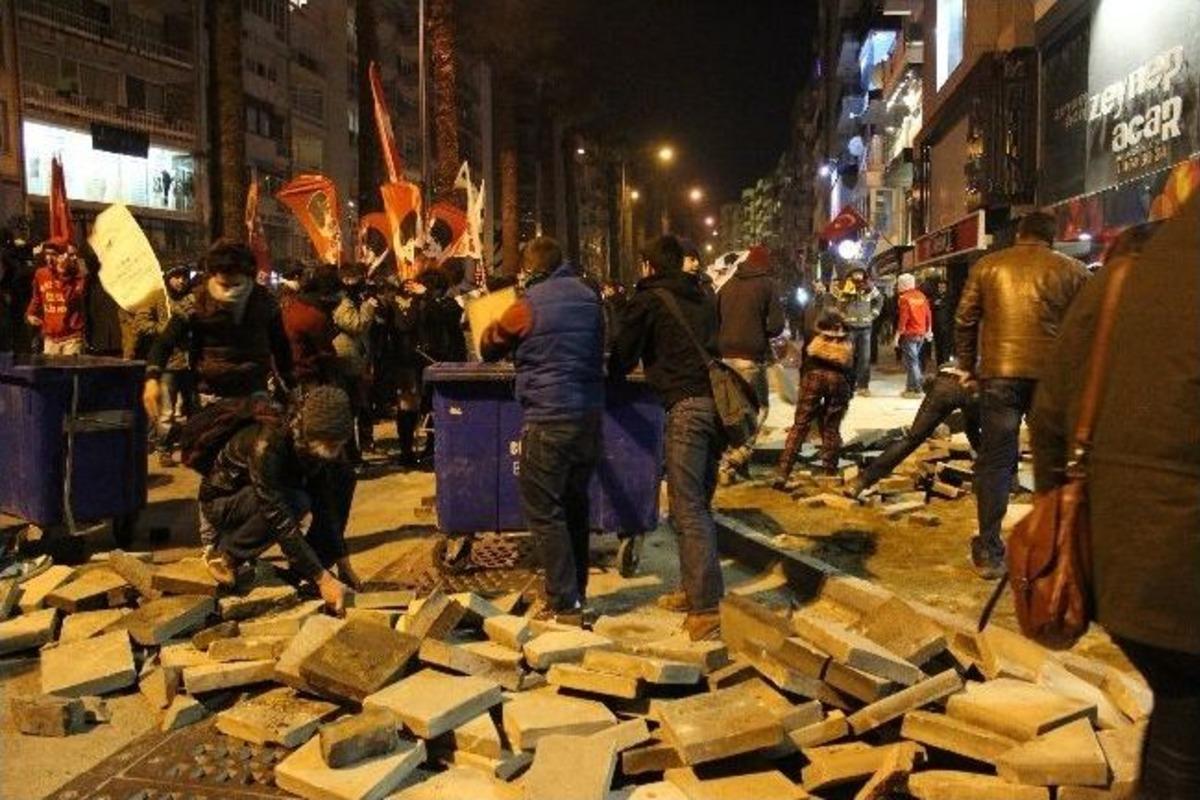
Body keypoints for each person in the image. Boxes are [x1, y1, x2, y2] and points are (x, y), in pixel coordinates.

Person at [1032, 206, 1196, 797]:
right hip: (1183, 574)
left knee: (1181, 719)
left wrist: (1061, 509)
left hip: (1122, 563)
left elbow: (1049, 414)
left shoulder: (1124, 271)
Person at [955, 210, 1087, 578]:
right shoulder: (1073, 271)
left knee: (996, 460)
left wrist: (967, 366)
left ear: (1019, 235)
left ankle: (989, 550)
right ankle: (1056, 549)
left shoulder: (988, 266)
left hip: (999, 374)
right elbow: (1088, 327)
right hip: (1052, 379)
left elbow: (964, 319)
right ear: (1052, 237)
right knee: (1053, 460)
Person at [480, 237, 604, 623]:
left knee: (544, 511)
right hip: (588, 418)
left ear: (531, 270)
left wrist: (492, 320)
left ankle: (563, 602)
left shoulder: (526, 306)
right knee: (575, 506)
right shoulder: (589, 298)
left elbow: (488, 347)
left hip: (549, 416)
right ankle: (577, 593)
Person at [611, 235, 724, 641]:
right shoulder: (703, 295)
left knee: (686, 508)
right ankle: (694, 589)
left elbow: (623, 354)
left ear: (648, 266)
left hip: (686, 407)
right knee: (699, 506)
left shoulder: (651, 298)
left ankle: (706, 609)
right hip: (716, 408)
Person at [200, 385, 359, 611]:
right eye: (332, 443)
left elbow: (328, 506)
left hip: (273, 495)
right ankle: (226, 557)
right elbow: (275, 512)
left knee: (342, 476)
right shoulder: (269, 442)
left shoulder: (319, 446)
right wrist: (323, 579)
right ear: (315, 432)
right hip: (226, 501)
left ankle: (308, 569)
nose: (337, 448)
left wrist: (342, 561)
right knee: (295, 501)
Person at [144, 239, 294, 410]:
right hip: (209, 394)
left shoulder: (265, 302)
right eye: (224, 285)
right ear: (213, 276)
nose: (229, 292)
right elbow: (164, 342)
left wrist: (290, 383)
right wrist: (152, 378)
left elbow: (281, 347)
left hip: (254, 393)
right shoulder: (195, 302)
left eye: (236, 285)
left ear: (248, 277)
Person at [846, 360, 980, 497]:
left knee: (911, 439)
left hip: (943, 386)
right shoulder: (986, 361)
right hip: (973, 389)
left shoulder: (956, 363)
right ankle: (984, 469)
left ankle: (861, 482)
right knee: (975, 429)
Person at [716, 244, 784, 485]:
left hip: (723, 357)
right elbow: (776, 325)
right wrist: (759, 331)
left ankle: (732, 465)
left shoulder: (728, 284)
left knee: (730, 412)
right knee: (758, 410)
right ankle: (732, 460)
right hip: (750, 356)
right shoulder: (767, 284)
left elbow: (715, 318)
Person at [775, 309, 854, 487]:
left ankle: (783, 472)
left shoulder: (812, 334)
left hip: (813, 377)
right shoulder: (848, 339)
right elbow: (852, 367)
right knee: (831, 426)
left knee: (800, 425)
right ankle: (829, 471)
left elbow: (805, 358)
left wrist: (803, 381)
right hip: (838, 380)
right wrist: (850, 390)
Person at [141, 265, 197, 466]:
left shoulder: (192, 299)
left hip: (189, 363)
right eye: (176, 277)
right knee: (166, 411)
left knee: (193, 409)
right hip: (167, 363)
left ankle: (191, 448)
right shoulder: (157, 297)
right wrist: (167, 330)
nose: (181, 281)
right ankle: (163, 447)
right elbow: (142, 322)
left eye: (184, 277)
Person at [333, 262, 380, 461]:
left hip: (358, 360)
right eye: (357, 278)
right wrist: (369, 306)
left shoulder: (353, 299)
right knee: (349, 409)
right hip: (346, 361)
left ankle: (358, 448)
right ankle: (350, 453)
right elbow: (356, 325)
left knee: (360, 406)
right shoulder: (342, 302)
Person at [281, 263, 342, 391]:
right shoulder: (313, 316)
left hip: (288, 375)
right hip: (308, 379)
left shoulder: (292, 308)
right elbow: (326, 355)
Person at [26, 238, 88, 355]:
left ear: (63, 256)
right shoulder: (41, 274)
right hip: (50, 337)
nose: (49, 258)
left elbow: (70, 298)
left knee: (70, 372)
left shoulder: (77, 275)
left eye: (53, 255)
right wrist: (31, 313)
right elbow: (37, 297)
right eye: (47, 254)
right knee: (51, 372)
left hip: (71, 337)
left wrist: (63, 274)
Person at [838, 268, 882, 395]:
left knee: (865, 358)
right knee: (848, 357)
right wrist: (843, 318)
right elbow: (839, 305)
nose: (858, 275)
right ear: (850, 274)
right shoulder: (846, 287)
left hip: (865, 327)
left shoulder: (870, 287)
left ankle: (863, 386)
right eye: (855, 273)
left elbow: (879, 300)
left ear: (864, 274)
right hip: (850, 327)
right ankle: (848, 384)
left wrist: (873, 314)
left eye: (860, 273)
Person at [894, 272, 933, 398]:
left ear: (904, 284)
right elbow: (928, 315)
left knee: (912, 362)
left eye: (899, 284)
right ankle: (910, 388)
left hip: (910, 333)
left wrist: (897, 336)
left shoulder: (904, 298)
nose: (897, 286)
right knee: (913, 361)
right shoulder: (922, 296)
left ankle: (919, 388)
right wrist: (929, 330)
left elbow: (904, 318)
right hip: (921, 333)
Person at [930, 278, 955, 367]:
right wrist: (934, 304)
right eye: (940, 287)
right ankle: (939, 365)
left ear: (946, 288)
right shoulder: (934, 297)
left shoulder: (950, 297)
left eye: (943, 287)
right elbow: (930, 309)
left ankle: (946, 364)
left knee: (946, 347)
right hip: (937, 327)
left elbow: (952, 310)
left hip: (947, 327)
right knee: (938, 347)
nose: (941, 289)